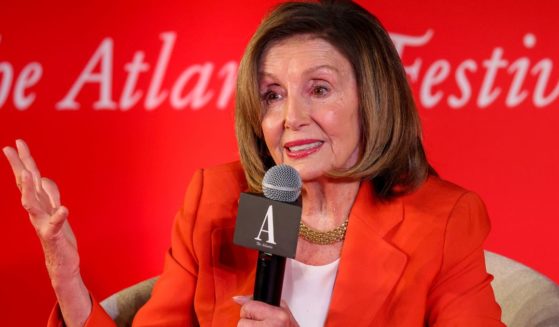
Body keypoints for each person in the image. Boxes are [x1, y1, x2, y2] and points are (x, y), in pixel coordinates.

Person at [3, 1, 504, 326]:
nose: (290, 118)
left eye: (320, 90)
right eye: (272, 95)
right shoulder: (217, 198)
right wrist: (68, 277)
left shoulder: (442, 220)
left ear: (373, 98)